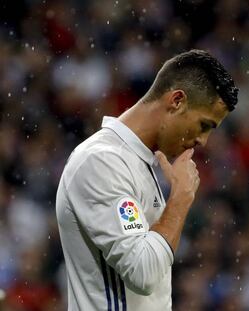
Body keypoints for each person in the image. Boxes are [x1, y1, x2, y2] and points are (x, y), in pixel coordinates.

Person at [55, 49, 238, 310]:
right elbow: (143, 273)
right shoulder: (102, 162)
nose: (203, 141)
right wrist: (180, 199)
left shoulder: (139, 162)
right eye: (204, 125)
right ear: (177, 100)